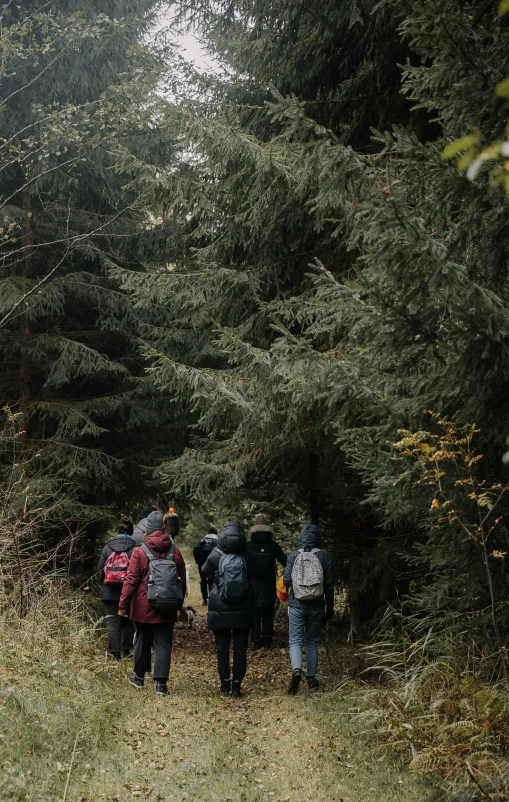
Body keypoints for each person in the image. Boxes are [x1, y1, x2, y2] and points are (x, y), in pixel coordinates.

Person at [118, 510, 187, 696]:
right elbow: (181, 579)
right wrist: (179, 605)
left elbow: (131, 580)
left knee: (143, 639)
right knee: (164, 643)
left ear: (147, 530)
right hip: (168, 604)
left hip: (143, 605)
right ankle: (161, 685)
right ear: (163, 529)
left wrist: (123, 605)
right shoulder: (175, 550)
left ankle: (139, 678)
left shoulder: (139, 551)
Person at [201, 519, 254, 699]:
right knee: (240, 648)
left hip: (219, 606)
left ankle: (224, 685)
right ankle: (236, 688)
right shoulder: (246, 552)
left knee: (222, 647)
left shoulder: (216, 553)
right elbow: (254, 573)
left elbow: (203, 571)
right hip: (243, 606)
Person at [283, 524, 334, 695]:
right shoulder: (324, 557)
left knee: (295, 641)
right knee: (311, 642)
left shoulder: (293, 555)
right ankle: (311, 678)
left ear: (302, 537)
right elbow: (329, 586)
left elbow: (287, 580)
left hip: (296, 605)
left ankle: (296, 670)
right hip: (317, 606)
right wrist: (330, 609)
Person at [97, 515, 136, 661]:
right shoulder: (135, 548)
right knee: (128, 623)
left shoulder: (107, 547)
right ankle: (127, 651)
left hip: (109, 592)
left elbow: (99, 570)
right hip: (128, 592)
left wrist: (107, 583)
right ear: (131, 532)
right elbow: (136, 573)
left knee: (113, 623)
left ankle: (116, 655)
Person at [246, 514, 287, 650]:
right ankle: (267, 642)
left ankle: (256, 642)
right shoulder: (273, 546)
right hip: (269, 585)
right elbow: (286, 562)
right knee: (268, 614)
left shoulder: (248, 546)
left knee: (255, 614)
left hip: (253, 585)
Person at [193, 527, 218, 604]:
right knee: (212, 581)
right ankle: (211, 598)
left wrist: (198, 562)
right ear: (216, 533)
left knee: (203, 581)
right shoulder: (218, 540)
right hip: (213, 563)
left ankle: (204, 599)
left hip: (202, 563)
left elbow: (195, 551)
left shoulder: (202, 540)